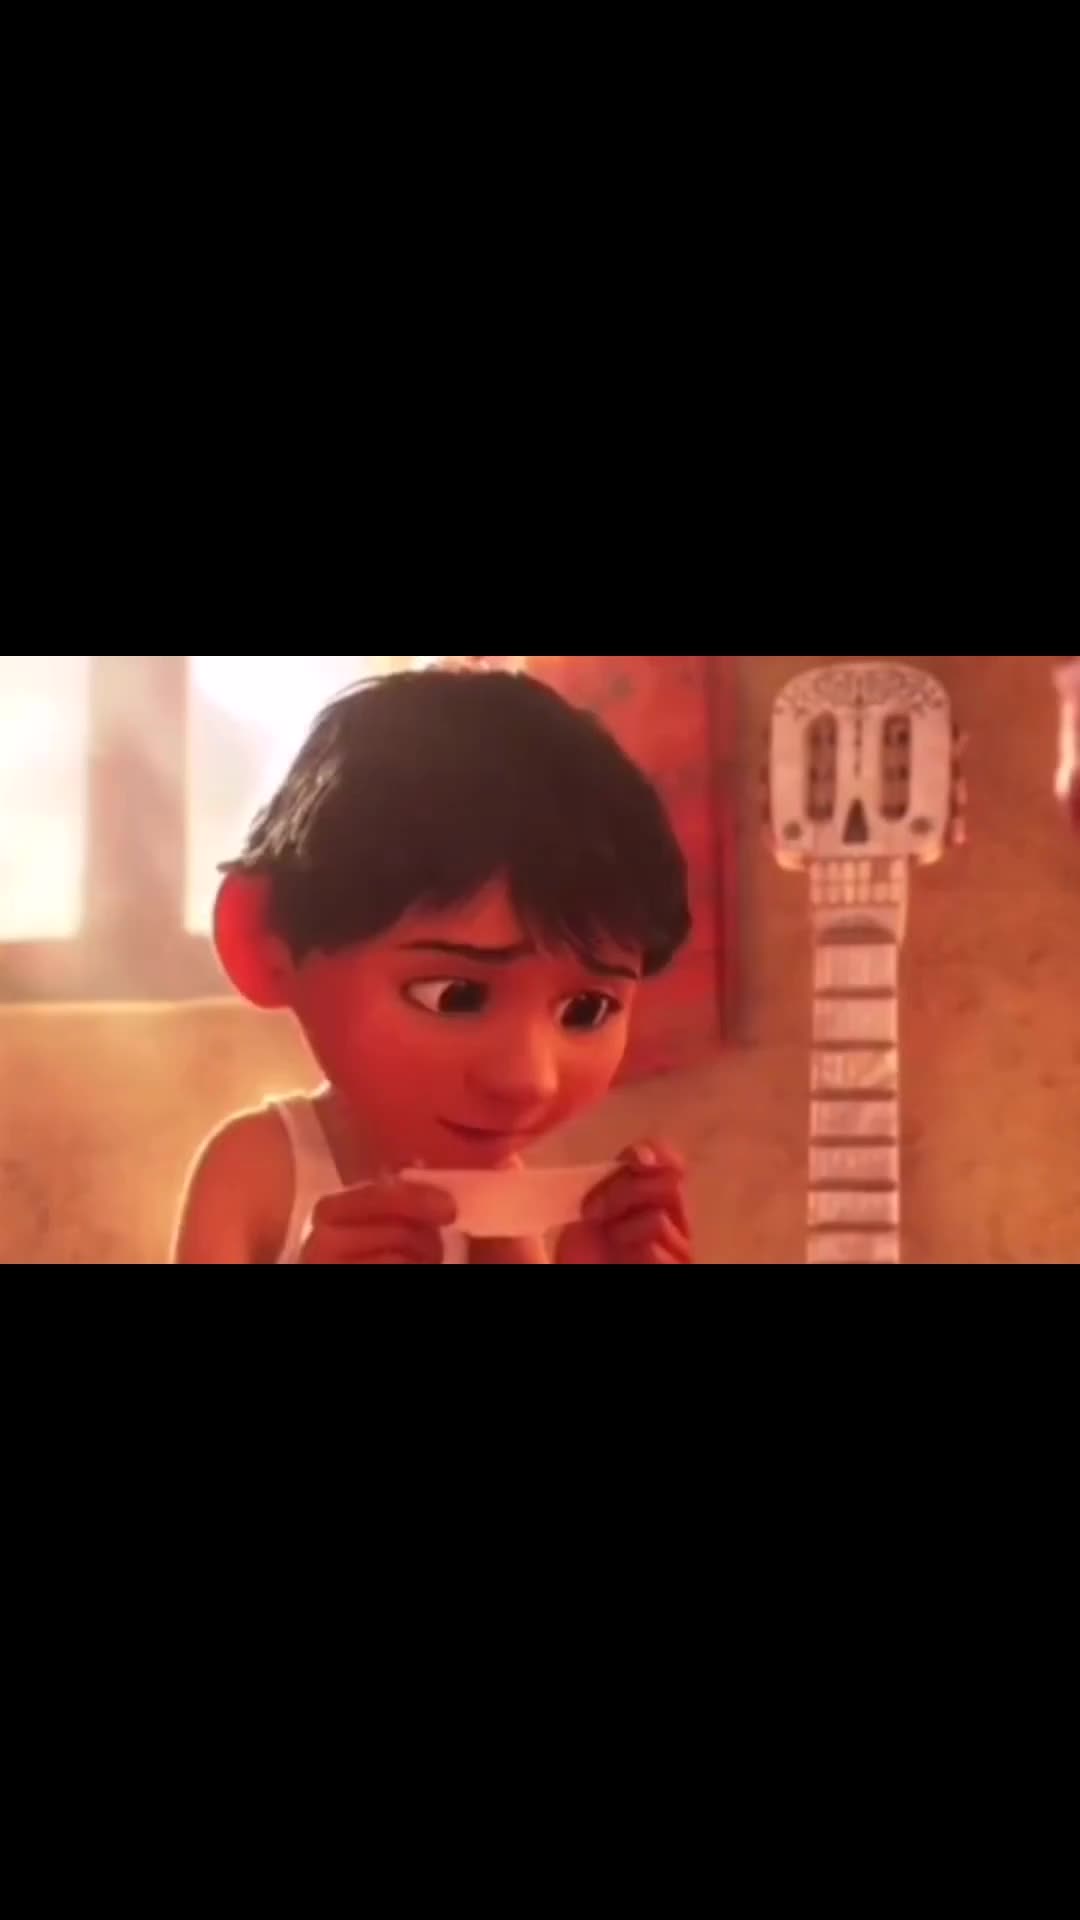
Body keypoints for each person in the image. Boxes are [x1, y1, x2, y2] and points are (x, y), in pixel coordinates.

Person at [173, 667, 694, 1264]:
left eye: (586, 1009)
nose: (530, 1080)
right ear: (266, 945)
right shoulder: (257, 1168)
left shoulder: (497, 1201)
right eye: (456, 996)